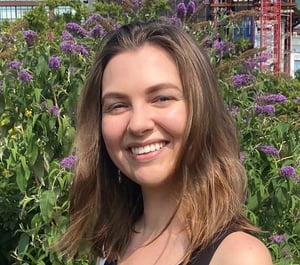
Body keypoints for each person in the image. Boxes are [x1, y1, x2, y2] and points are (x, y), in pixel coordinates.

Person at [59, 20, 273, 265]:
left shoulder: (237, 257)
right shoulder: (112, 245)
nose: (138, 124)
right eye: (118, 105)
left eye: (161, 98)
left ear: (201, 107)